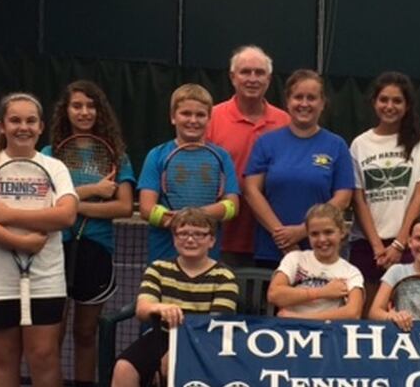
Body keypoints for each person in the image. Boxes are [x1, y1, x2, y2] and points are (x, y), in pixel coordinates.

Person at [42, 80, 136, 387]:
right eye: (77, 105)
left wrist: (72, 205)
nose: (84, 112)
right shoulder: (48, 154)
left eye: (91, 105)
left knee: (85, 333)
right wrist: (93, 192)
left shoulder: (117, 156)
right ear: (65, 111)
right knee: (51, 334)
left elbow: (123, 207)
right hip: (54, 248)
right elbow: (46, 201)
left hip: (97, 249)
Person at [0, 93, 78, 387]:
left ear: (41, 127)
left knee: (44, 356)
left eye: (30, 121)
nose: (22, 127)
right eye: (15, 120)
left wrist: (8, 215)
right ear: (2, 126)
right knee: (2, 357)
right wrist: (23, 244)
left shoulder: (55, 168)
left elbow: (65, 216)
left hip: (46, 278)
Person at [111, 207, 239, 387]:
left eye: (199, 234)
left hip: (205, 341)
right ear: (174, 238)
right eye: (183, 233)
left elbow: (216, 324)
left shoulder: (225, 276)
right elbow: (142, 309)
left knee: (173, 367)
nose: (190, 239)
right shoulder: (157, 268)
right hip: (160, 336)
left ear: (211, 240)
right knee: (123, 368)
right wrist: (159, 308)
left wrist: (177, 351)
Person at [349, 71, 420, 315]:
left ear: (407, 105)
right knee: (367, 314)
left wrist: (399, 244)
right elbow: (359, 200)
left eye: (397, 101)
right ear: (374, 102)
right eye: (384, 100)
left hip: (408, 245)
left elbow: (418, 198)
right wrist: (377, 246)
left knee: (407, 314)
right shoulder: (359, 144)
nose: (390, 106)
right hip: (366, 246)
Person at [244, 69, 354, 267]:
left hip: (321, 252)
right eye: (298, 97)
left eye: (311, 98)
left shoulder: (336, 145)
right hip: (272, 250)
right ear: (288, 101)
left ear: (322, 103)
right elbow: (251, 191)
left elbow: (343, 198)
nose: (304, 104)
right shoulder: (266, 142)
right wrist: (282, 237)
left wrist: (304, 230)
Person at [206, 45, 290, 268]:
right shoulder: (211, 118)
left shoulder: (286, 123)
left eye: (259, 73)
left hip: (272, 241)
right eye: (245, 72)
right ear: (233, 77)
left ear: (269, 79)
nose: (252, 79)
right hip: (221, 240)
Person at [137, 83, 241, 263]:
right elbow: (146, 208)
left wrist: (191, 217)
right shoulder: (156, 155)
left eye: (200, 115)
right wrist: (179, 222)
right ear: (173, 117)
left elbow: (232, 206)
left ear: (209, 119)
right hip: (163, 255)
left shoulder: (222, 157)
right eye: (186, 113)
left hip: (207, 258)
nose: (193, 120)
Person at [267, 203, 364, 319]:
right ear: (308, 235)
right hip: (291, 330)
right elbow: (274, 294)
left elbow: (353, 312)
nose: (322, 239)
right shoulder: (295, 259)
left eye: (328, 232)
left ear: (342, 232)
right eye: (314, 234)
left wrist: (302, 318)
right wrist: (322, 292)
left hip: (328, 331)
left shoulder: (351, 272)